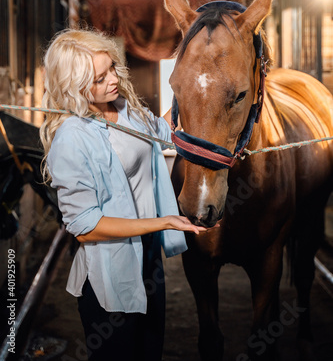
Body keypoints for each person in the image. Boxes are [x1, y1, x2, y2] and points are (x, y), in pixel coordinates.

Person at [40, 27, 212, 361]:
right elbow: (84, 226)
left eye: (112, 68)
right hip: (110, 268)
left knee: (150, 352)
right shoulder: (72, 138)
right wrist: (163, 222)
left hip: (147, 257)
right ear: (73, 86)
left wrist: (195, 88)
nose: (113, 80)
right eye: (99, 78)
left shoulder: (124, 109)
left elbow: (162, 132)